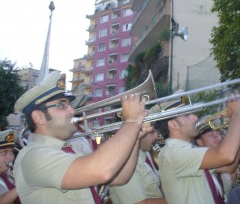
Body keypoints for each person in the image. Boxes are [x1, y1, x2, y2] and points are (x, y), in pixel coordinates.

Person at [13, 71, 151, 204]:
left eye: (70, 105)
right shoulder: (33, 156)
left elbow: (121, 177)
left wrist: (135, 137)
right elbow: (102, 171)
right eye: (62, 105)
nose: (72, 111)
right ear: (39, 117)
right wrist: (131, 121)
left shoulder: (67, 150)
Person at [156, 95, 240, 204]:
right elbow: (226, 155)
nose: (195, 118)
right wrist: (237, 114)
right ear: (173, 124)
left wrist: (239, 128)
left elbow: (230, 167)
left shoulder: (186, 150)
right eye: (187, 115)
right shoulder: (173, 152)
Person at [109, 128, 167, 204]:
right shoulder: (123, 163)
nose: (156, 136)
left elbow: (156, 189)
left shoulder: (146, 152)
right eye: (152, 132)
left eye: (157, 131)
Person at [194, 116, 240, 202]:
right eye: (211, 134)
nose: (217, 137)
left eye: (218, 133)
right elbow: (230, 168)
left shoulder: (214, 159)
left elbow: (231, 166)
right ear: (199, 142)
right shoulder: (199, 158)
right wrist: (237, 120)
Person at [0, 129, 21, 204]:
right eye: (4, 152)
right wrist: (22, 185)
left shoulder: (8, 175)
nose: (10, 158)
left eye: (11, 152)